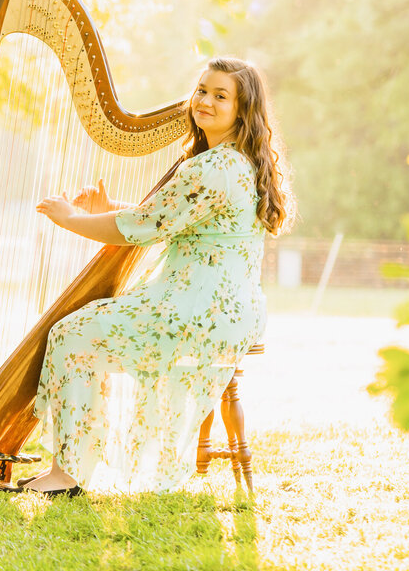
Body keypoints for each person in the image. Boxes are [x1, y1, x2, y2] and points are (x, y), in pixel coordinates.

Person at [24, 57, 294, 496]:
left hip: (195, 313)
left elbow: (141, 227)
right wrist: (110, 208)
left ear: (242, 111)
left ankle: (67, 472)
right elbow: (170, 218)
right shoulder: (235, 163)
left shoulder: (211, 168)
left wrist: (71, 218)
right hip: (228, 312)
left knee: (71, 336)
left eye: (220, 96)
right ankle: (76, 463)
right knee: (80, 330)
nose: (205, 101)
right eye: (202, 90)